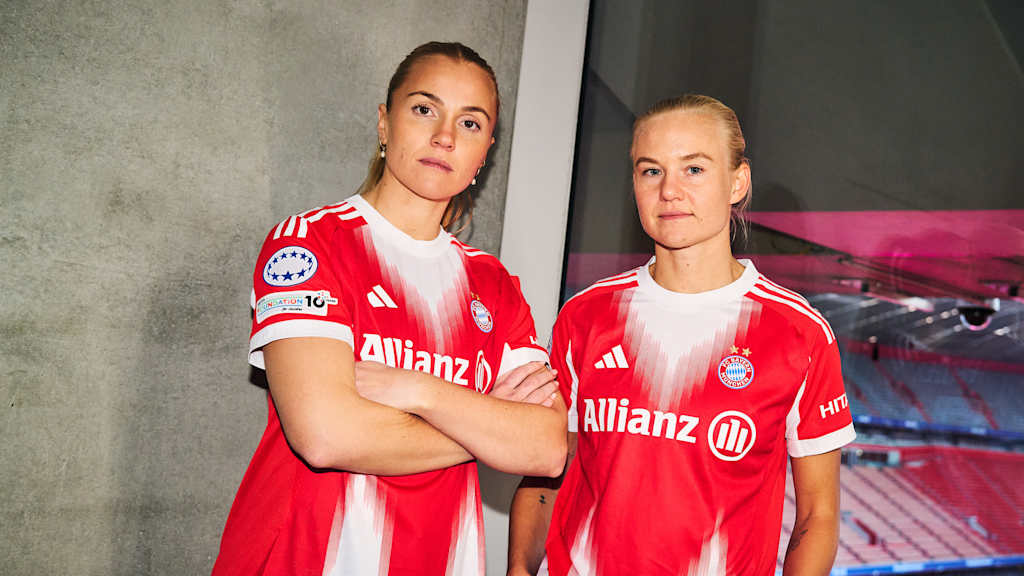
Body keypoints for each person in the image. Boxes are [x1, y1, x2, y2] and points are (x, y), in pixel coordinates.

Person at [213, 41, 567, 576]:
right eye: (424, 109)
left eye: (470, 124)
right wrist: (484, 422)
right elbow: (327, 436)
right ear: (384, 123)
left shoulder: (492, 284)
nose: (444, 137)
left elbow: (544, 447)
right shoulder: (309, 244)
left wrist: (420, 390)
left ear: (485, 151)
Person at [507, 94, 855, 576]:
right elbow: (547, 475)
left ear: (738, 182)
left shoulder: (800, 334)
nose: (669, 190)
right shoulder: (586, 315)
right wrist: (520, 569)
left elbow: (817, 516)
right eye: (651, 171)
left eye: (693, 169)